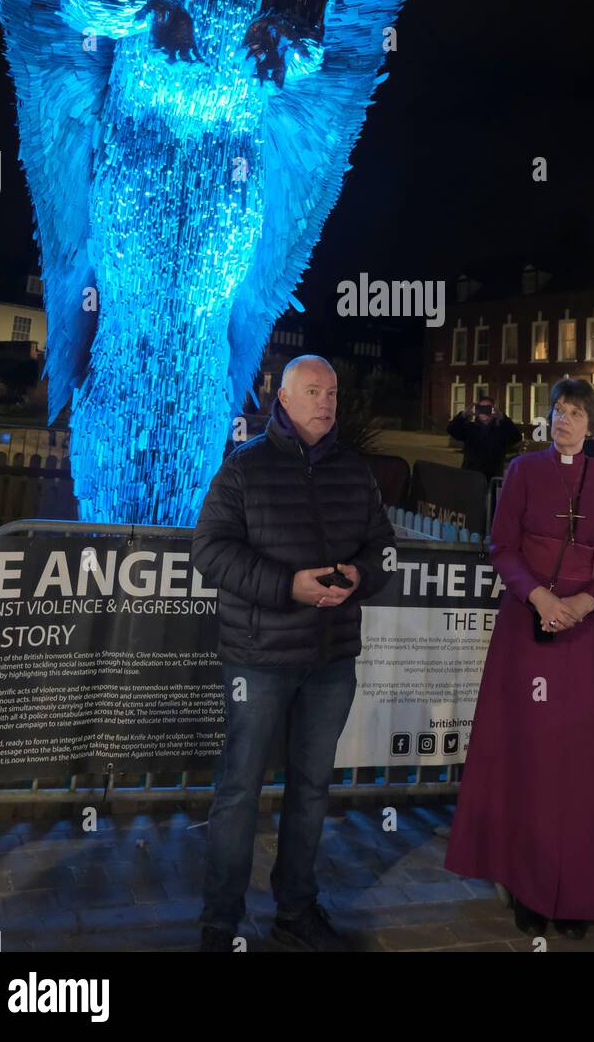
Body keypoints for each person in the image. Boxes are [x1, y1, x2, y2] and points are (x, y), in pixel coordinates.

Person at [191, 355, 395, 952]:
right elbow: (210, 551)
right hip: (258, 658)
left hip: (331, 661)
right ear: (282, 398)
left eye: (332, 392)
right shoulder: (244, 469)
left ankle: (296, 909)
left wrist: (360, 574)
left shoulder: (355, 473)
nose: (326, 403)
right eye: (313, 391)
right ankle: (219, 921)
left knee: (311, 789)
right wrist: (287, 587)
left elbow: (383, 549)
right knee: (238, 790)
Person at [444, 377, 594, 939]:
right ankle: (526, 884)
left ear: (592, 424)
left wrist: (584, 602)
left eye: (574, 413)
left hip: (588, 635)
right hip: (529, 629)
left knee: (583, 768)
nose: (562, 421)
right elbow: (503, 546)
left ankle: (579, 893)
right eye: (557, 411)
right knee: (529, 761)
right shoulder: (522, 472)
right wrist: (540, 598)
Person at [446, 397, 522, 482]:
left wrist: (502, 417)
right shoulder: (470, 428)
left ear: (494, 410)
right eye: (481, 408)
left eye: (488, 408)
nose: (484, 411)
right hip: (470, 476)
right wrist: (464, 414)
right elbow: (451, 429)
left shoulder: (500, 430)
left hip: (492, 478)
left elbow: (516, 436)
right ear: (476, 410)